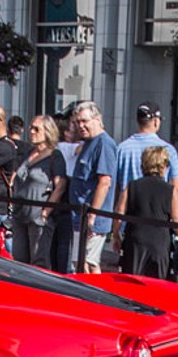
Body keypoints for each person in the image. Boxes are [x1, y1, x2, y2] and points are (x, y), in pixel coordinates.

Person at [112, 103, 178, 261]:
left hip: (130, 224)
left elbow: (116, 187)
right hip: (159, 224)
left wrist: (115, 231)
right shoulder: (167, 149)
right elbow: (176, 186)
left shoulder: (122, 148)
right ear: (156, 122)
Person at [67, 101, 118, 272]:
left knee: (88, 263)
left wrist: (92, 217)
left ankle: (95, 297)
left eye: (85, 121)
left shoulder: (104, 143)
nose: (81, 126)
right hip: (79, 216)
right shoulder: (88, 142)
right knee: (78, 263)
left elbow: (105, 182)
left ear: (97, 119)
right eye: (78, 122)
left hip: (92, 219)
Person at [12, 114, 68, 269]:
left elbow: (60, 185)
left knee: (39, 262)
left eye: (36, 129)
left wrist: (46, 212)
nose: (31, 131)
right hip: (20, 214)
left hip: (38, 216)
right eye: (31, 127)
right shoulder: (28, 152)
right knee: (19, 261)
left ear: (47, 132)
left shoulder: (55, 156)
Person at [118, 144, 176, 279]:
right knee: (159, 285)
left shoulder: (132, 186)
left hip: (136, 239)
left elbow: (119, 212)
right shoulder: (170, 190)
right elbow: (177, 219)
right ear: (163, 166)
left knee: (131, 283)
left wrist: (116, 235)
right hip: (160, 241)